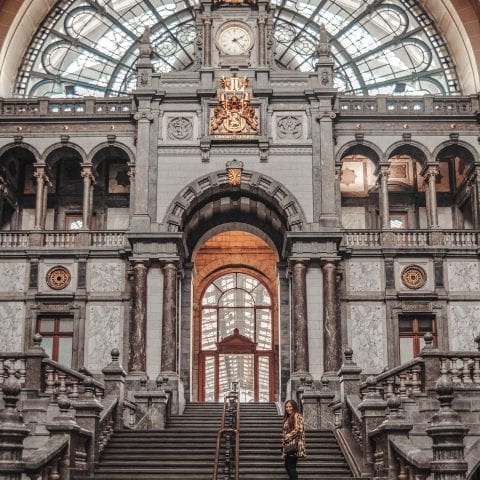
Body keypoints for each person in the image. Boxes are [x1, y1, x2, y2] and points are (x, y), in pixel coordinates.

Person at [282, 399, 306, 480]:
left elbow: (299, 429)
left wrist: (287, 436)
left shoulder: (297, 415)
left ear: (294, 407)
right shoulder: (289, 417)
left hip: (293, 445)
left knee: (290, 466)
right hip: (289, 445)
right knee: (288, 466)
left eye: (290, 407)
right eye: (287, 407)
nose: (288, 408)